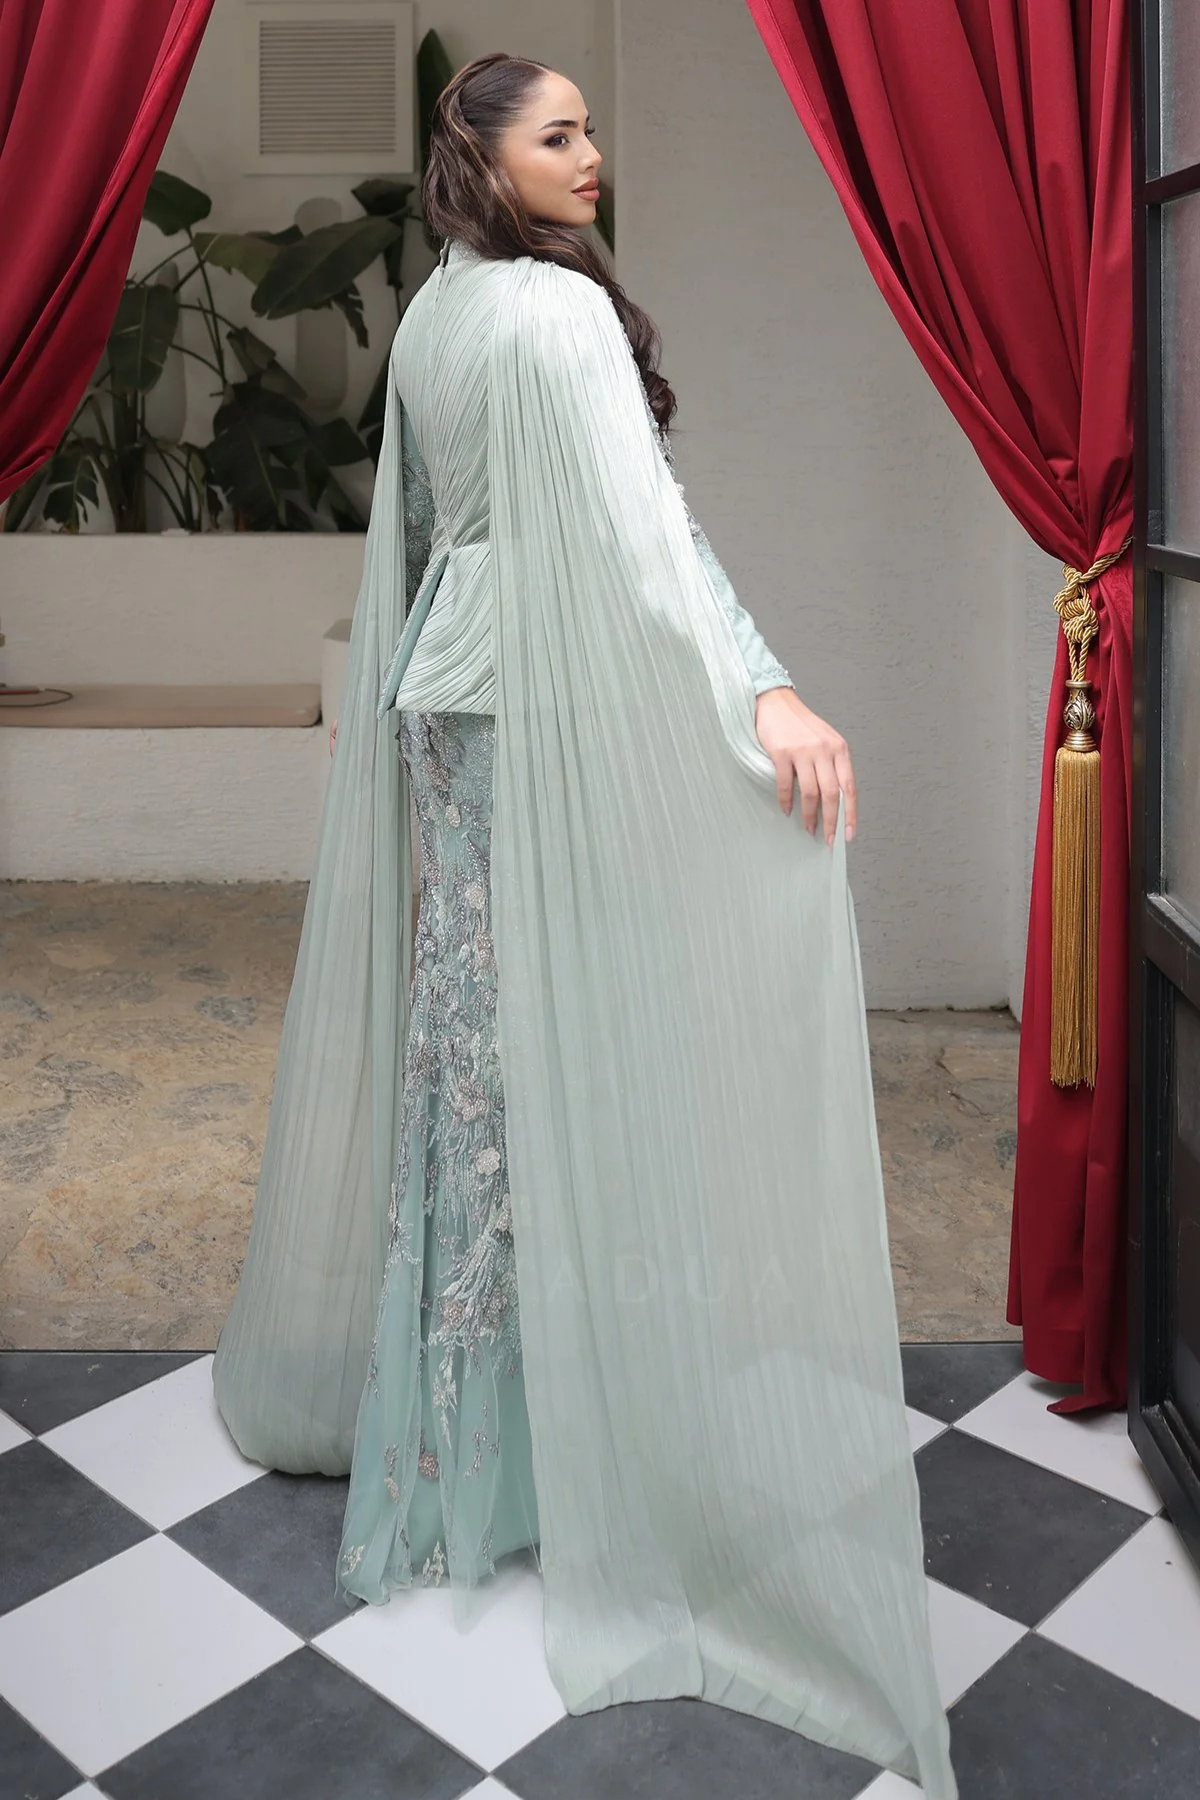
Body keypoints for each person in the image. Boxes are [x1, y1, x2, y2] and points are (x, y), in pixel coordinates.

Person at [212, 51, 957, 1800]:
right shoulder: (547, 313)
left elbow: (426, 546)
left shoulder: (438, 312)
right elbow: (644, 540)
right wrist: (765, 689)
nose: (592, 155)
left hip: (454, 701)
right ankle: (583, 1441)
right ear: (483, 157)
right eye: (559, 135)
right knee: (575, 1046)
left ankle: (479, 1448)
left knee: (474, 1057)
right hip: (541, 695)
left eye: (591, 129)